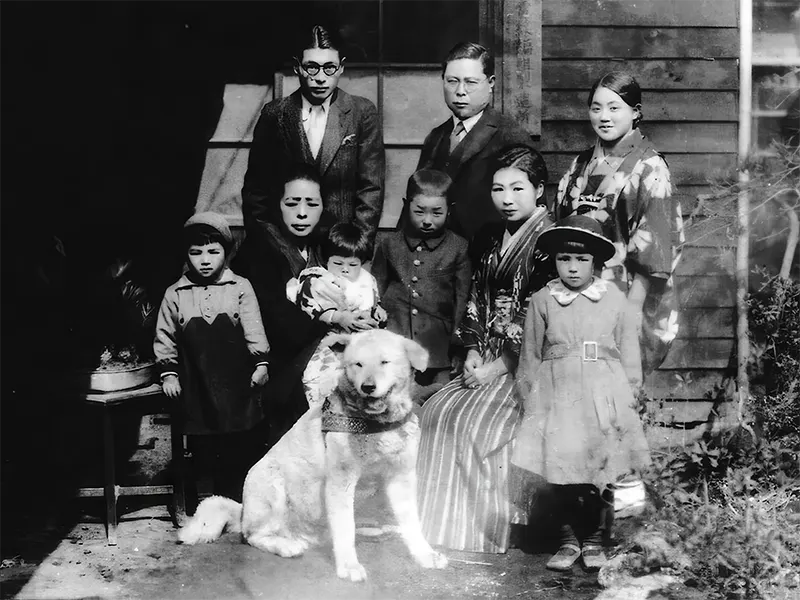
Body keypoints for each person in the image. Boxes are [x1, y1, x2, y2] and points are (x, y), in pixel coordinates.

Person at [415, 145, 554, 554]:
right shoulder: (491, 235)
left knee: (474, 424)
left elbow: (536, 314)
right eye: (498, 189)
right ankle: (441, 527)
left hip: (525, 364)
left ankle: (488, 531)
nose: (506, 199)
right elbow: (477, 295)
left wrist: (497, 367)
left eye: (517, 188)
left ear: (539, 189)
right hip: (486, 353)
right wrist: (474, 349)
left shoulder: (550, 240)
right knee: (436, 411)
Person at [512, 215, 651, 572]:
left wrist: (631, 392)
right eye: (564, 259)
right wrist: (531, 400)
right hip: (557, 395)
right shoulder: (543, 300)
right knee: (559, 471)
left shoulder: (613, 299)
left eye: (582, 259)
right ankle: (567, 540)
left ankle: (595, 539)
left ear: (596, 262)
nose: (572, 268)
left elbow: (628, 348)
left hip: (604, 392)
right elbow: (530, 355)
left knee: (604, 467)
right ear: (555, 261)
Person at [553, 71, 684, 376]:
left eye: (614, 108)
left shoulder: (650, 166)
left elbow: (656, 248)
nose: (604, 117)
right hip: (575, 287)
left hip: (625, 293)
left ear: (635, 113)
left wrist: (632, 309)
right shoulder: (580, 164)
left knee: (615, 385)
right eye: (596, 108)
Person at [246, 164, 376, 444]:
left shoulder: (325, 247)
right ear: (277, 205)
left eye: (312, 204)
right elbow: (278, 321)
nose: (302, 213)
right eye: (292, 203)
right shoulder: (259, 251)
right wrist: (334, 320)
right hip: (286, 361)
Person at [153, 212, 270, 502]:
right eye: (196, 253)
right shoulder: (176, 293)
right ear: (186, 254)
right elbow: (165, 336)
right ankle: (203, 501)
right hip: (196, 381)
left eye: (213, 252)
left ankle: (236, 499)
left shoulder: (239, 287)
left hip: (235, 382)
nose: (205, 260)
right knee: (201, 442)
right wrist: (169, 373)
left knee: (238, 443)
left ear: (226, 252)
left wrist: (261, 364)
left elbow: (253, 327)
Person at [241, 24, 385, 250]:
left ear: (341, 68)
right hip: (285, 247)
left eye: (329, 68)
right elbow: (256, 194)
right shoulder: (275, 114)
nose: (320, 78)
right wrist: (279, 251)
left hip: (341, 249)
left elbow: (371, 190)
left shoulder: (361, 112)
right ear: (297, 67)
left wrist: (354, 251)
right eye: (311, 67)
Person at [417, 42, 534, 246]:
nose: (460, 91)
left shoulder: (511, 137)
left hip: (487, 254)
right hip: (437, 254)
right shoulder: (435, 137)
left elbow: (528, 215)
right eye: (452, 81)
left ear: (491, 83)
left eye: (470, 82)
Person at [372, 169, 472, 402]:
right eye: (419, 211)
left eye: (437, 212)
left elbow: (462, 300)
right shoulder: (389, 244)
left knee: (439, 402)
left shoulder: (459, 247)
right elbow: (375, 289)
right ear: (406, 205)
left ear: (450, 210)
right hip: (395, 342)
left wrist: (457, 349)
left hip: (438, 349)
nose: (427, 220)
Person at [289, 221, 386, 406]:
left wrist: (378, 309)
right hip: (328, 339)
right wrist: (338, 317)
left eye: (353, 264)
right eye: (338, 263)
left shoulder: (366, 280)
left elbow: (372, 299)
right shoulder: (321, 280)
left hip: (361, 340)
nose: (345, 269)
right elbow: (313, 305)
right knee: (322, 377)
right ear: (327, 260)